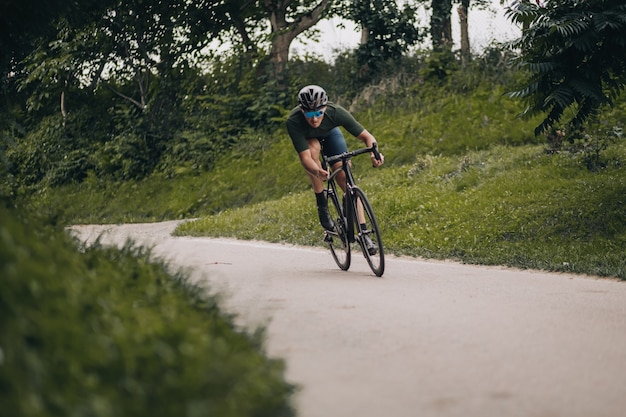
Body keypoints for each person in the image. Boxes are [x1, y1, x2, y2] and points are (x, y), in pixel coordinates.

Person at [286, 85, 384, 251]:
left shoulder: (336, 112)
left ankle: (364, 233)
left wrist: (374, 153)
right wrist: (317, 171)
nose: (314, 119)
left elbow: (367, 137)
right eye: (309, 114)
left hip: (331, 135)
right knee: (313, 151)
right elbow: (305, 158)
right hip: (310, 141)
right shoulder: (294, 121)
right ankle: (322, 204)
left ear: (325, 108)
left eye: (318, 113)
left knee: (345, 177)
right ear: (302, 111)